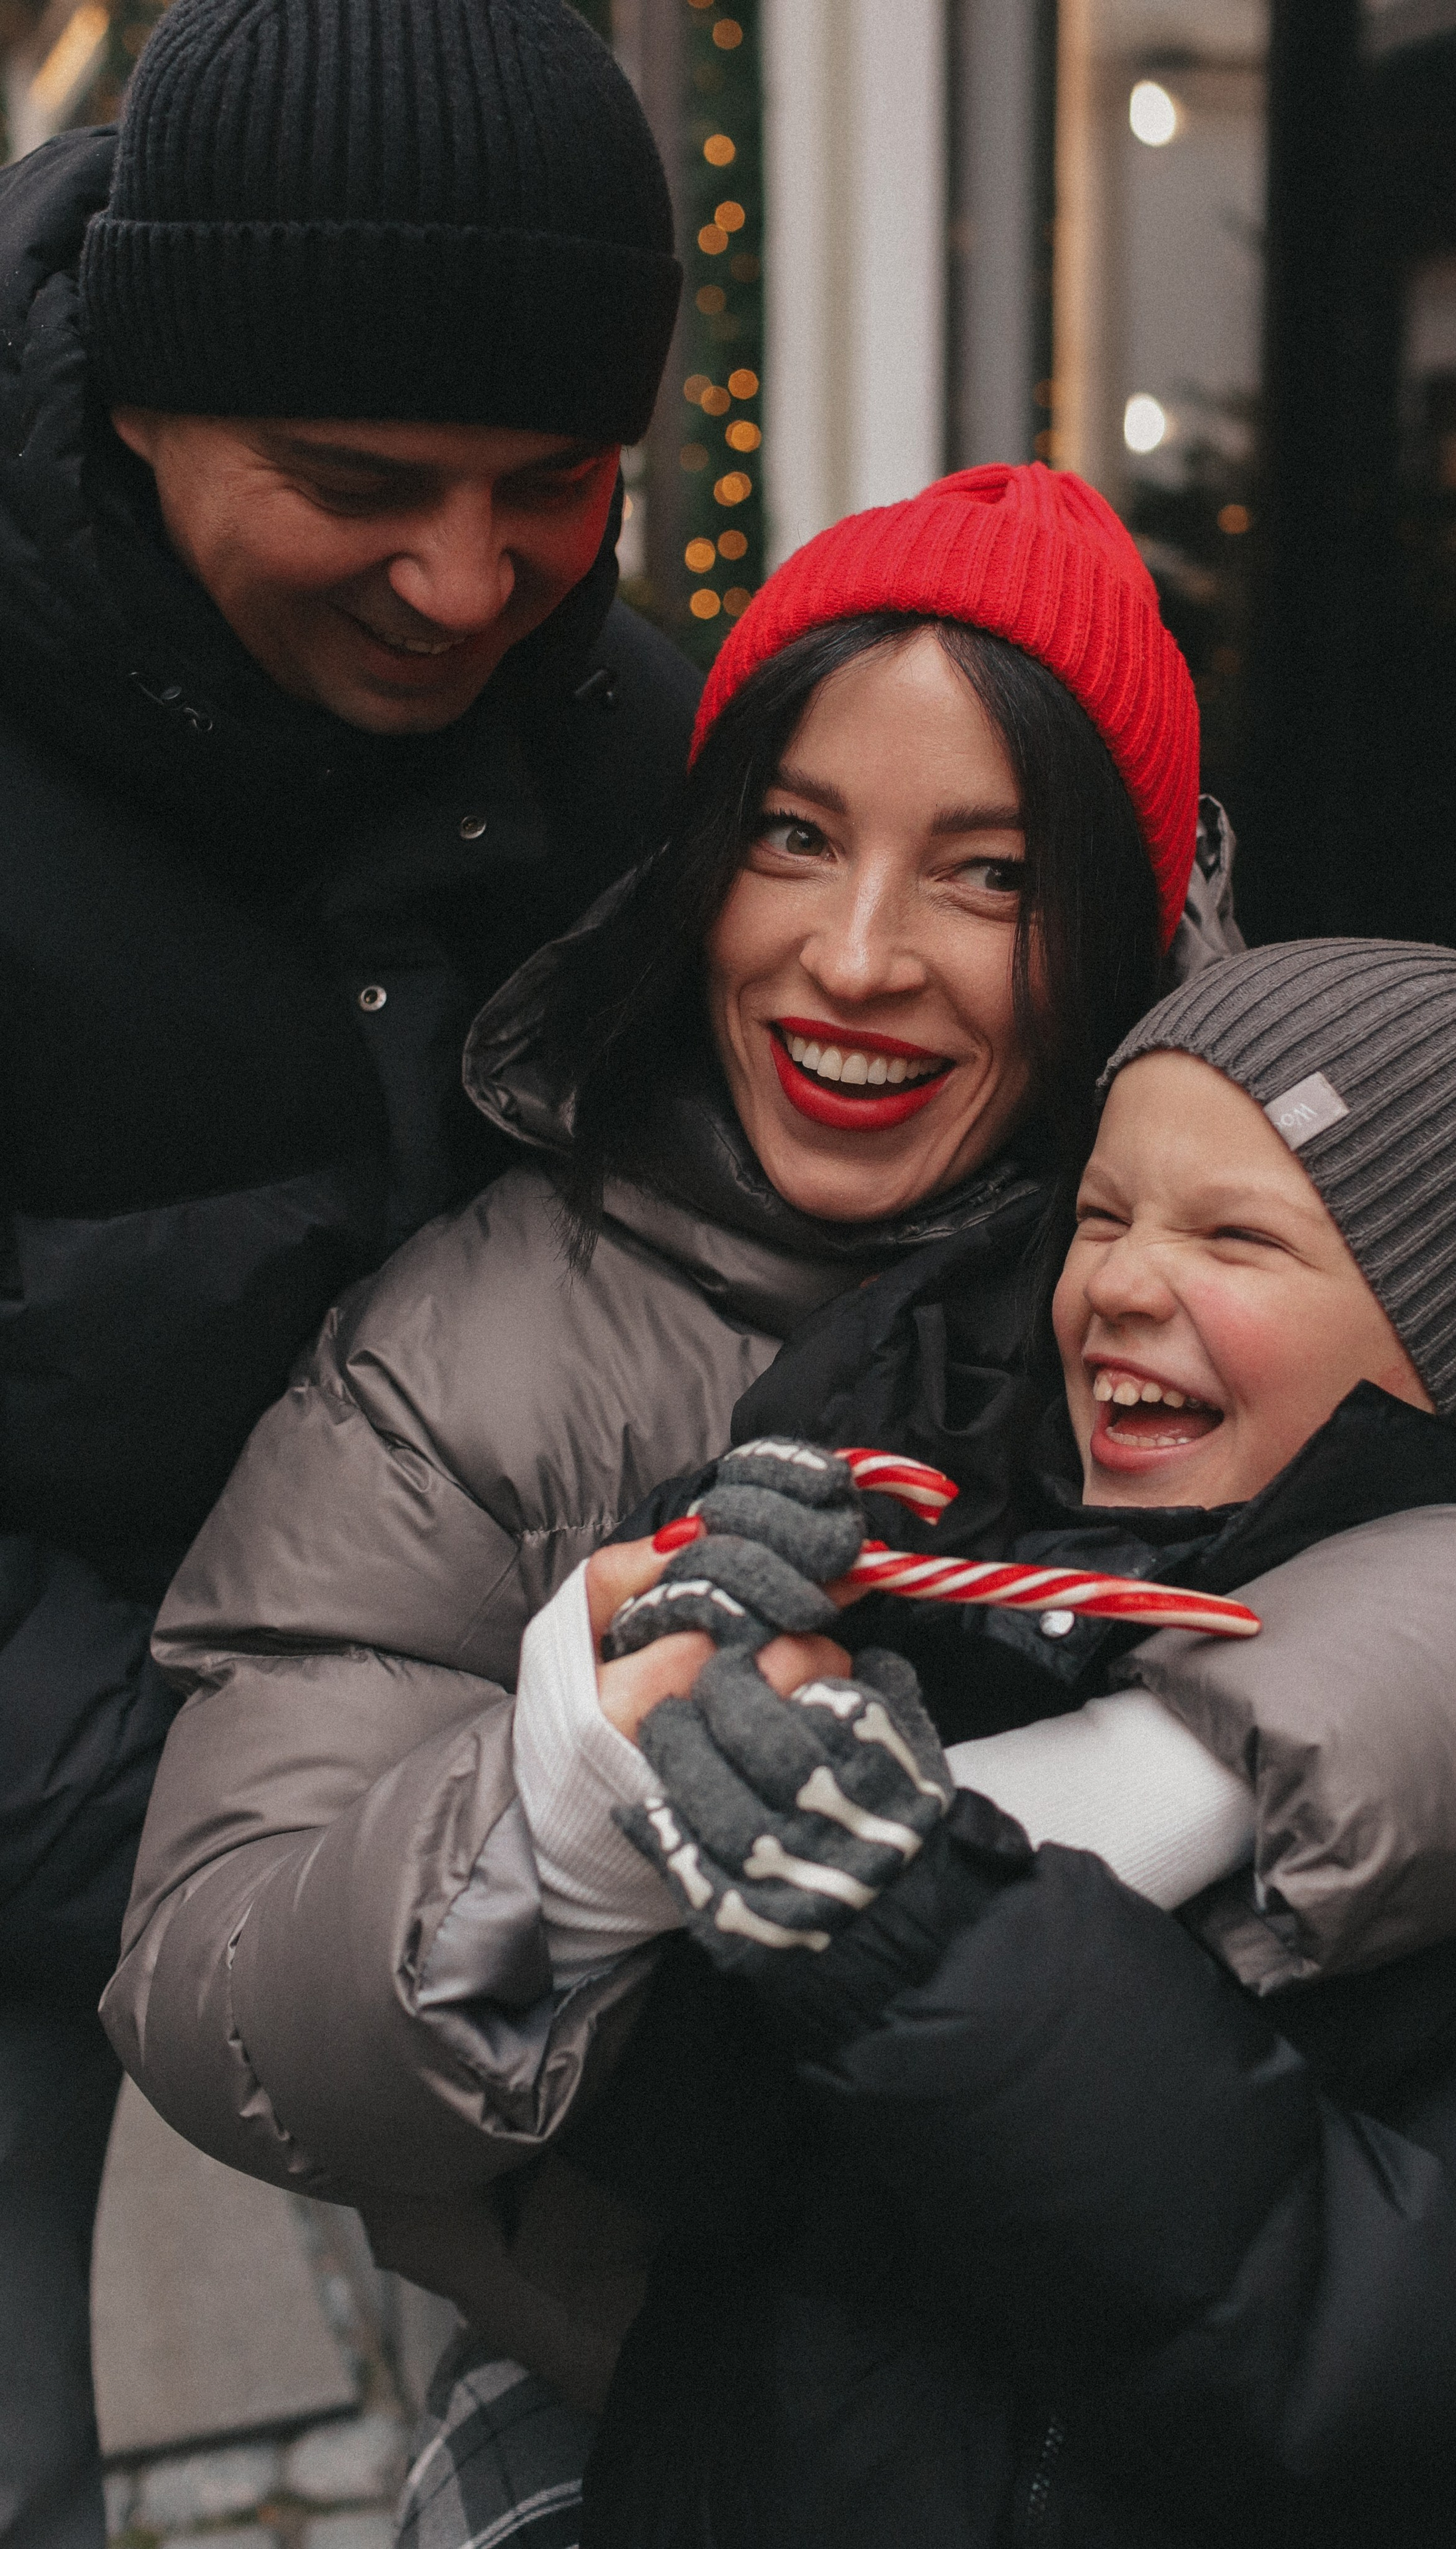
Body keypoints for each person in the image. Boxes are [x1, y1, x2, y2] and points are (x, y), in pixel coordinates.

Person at [112, 470, 1456, 2432]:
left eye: (991, 873)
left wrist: (1204, 1761)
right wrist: (571, 1799)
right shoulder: (470, 1360)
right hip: (677, 2402)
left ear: (1117, 910)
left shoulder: (1320, 1151)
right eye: (792, 837)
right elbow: (217, 1991)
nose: (857, 959)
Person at [565, 934, 1456, 2546]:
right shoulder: (952, 1588)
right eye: (1100, 1216)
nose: (1113, 1285)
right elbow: (672, 2174)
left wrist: (944, 1952)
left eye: (1235, 1235)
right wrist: (666, 1710)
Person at [0, 0, 693, 2540]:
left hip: (468, 1794)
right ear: (141, 405)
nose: (467, 583)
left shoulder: (620, 732)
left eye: (557, 487)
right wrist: (266, 1869)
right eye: (360, 486)